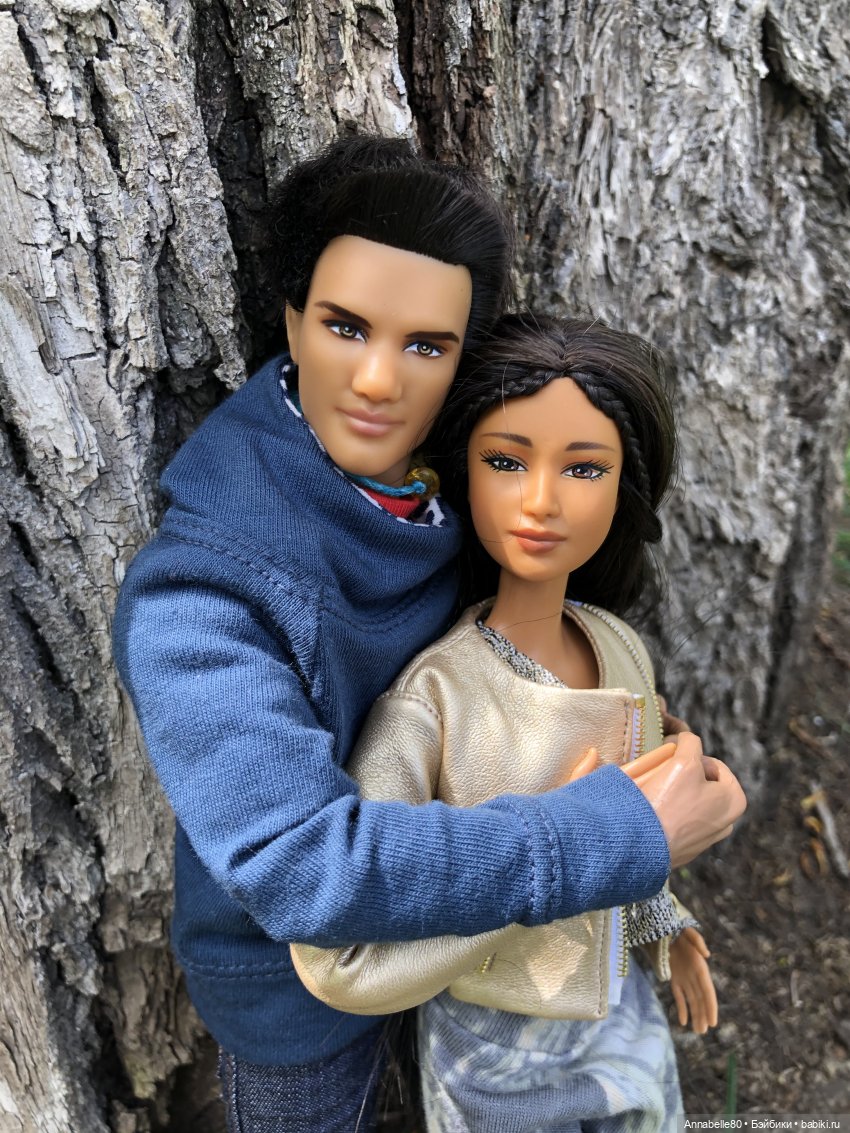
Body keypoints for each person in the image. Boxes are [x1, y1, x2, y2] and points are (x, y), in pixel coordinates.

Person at [112, 136, 746, 1132]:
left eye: (426, 345)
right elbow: (304, 867)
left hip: (478, 952)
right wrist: (619, 833)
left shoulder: (452, 484)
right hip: (307, 997)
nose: (377, 379)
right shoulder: (200, 596)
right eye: (344, 325)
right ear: (291, 318)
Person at [291, 313, 721, 1130]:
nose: (541, 500)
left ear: (625, 485)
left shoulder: (618, 648)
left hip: (618, 1011)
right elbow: (343, 948)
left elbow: (646, 828)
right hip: (491, 1042)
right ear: (459, 469)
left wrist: (668, 924)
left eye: (585, 468)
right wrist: (550, 870)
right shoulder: (436, 698)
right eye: (505, 461)